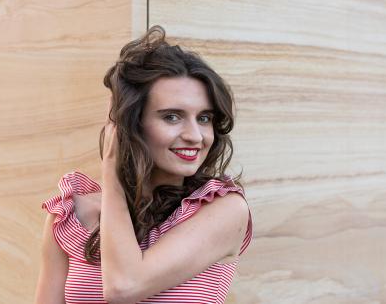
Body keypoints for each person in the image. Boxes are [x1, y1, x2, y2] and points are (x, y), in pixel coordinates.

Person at [34, 25, 253, 304]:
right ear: (130, 124)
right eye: (172, 117)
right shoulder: (72, 215)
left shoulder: (223, 210)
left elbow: (123, 287)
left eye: (204, 118)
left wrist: (111, 172)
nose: (195, 136)